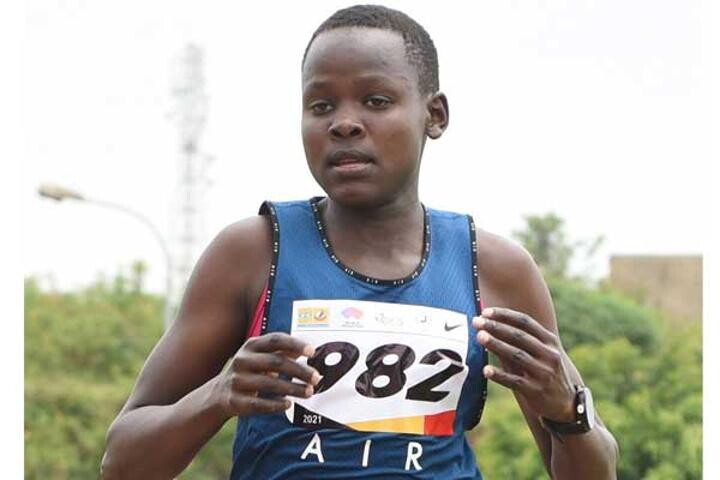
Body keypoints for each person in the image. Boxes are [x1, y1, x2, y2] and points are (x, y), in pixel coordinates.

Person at [101, 5, 619, 479]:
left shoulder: (495, 268)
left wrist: (567, 410)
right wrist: (217, 396)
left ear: (434, 115)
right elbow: (121, 463)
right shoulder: (252, 253)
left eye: (376, 101)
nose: (344, 123)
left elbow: (595, 470)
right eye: (321, 105)